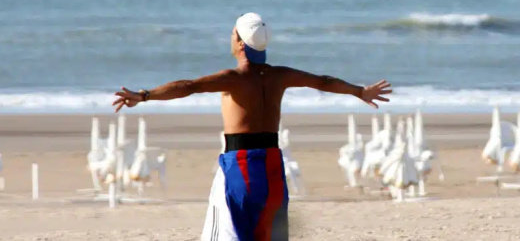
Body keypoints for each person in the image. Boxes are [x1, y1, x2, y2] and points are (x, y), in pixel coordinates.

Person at [112, 13, 392, 241]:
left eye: (232, 33)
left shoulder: (233, 78)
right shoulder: (280, 76)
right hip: (272, 166)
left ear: (239, 42)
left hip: (240, 165)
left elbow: (188, 86)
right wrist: (359, 91)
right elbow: (323, 81)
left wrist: (145, 95)